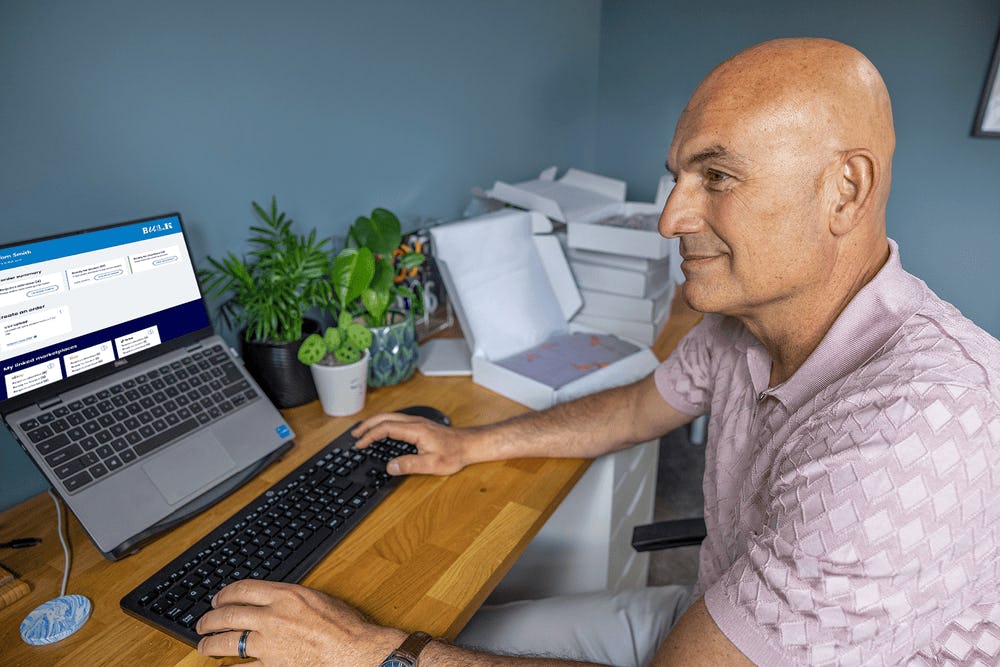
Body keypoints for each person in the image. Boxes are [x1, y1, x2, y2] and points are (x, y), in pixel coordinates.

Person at [196, 37, 1000, 666]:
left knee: (381, 641)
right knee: (456, 625)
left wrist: (364, 652)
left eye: (717, 175)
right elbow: (639, 407)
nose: (672, 217)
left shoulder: (915, 432)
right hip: (714, 609)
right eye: (678, 176)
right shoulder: (746, 321)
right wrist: (471, 442)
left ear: (846, 191)